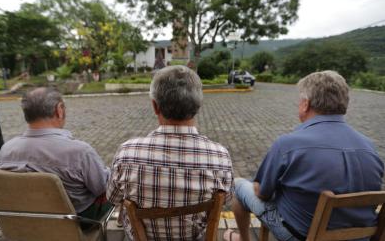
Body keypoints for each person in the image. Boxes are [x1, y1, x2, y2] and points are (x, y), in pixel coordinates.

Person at [225, 70, 384, 241]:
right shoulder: (370, 147)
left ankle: (243, 239)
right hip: (360, 237)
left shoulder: (288, 144)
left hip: (301, 236)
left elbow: (262, 193)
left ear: (305, 104)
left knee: (239, 185)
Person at [107, 65, 234, 240]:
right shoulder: (220, 157)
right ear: (198, 106)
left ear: (155, 106)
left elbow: (113, 197)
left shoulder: (127, 154)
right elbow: (226, 200)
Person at [0, 87, 111, 224]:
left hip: (26, 221)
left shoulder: (6, 150)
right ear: (59, 110)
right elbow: (103, 187)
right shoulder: (79, 152)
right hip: (75, 222)